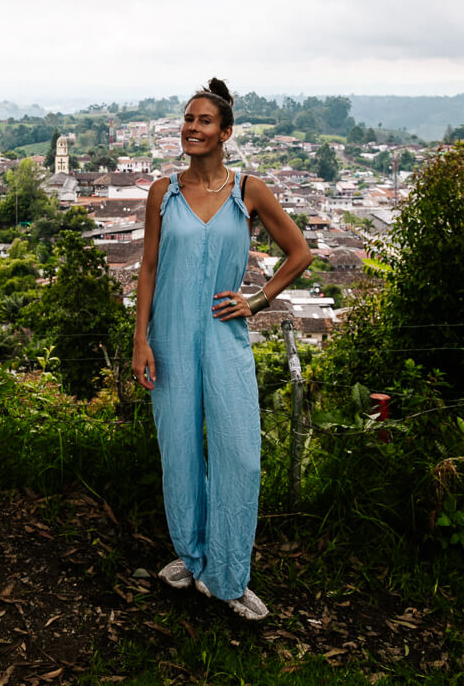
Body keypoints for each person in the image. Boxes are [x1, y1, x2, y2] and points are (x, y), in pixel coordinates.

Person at [132, 78, 313, 620]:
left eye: (204, 121)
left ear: (226, 132)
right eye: (188, 120)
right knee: (180, 450)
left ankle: (229, 575)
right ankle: (191, 556)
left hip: (224, 334)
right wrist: (140, 339)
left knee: (239, 453)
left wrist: (257, 302)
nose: (192, 128)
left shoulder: (247, 191)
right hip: (168, 335)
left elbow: (300, 252)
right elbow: (149, 267)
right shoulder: (162, 193)